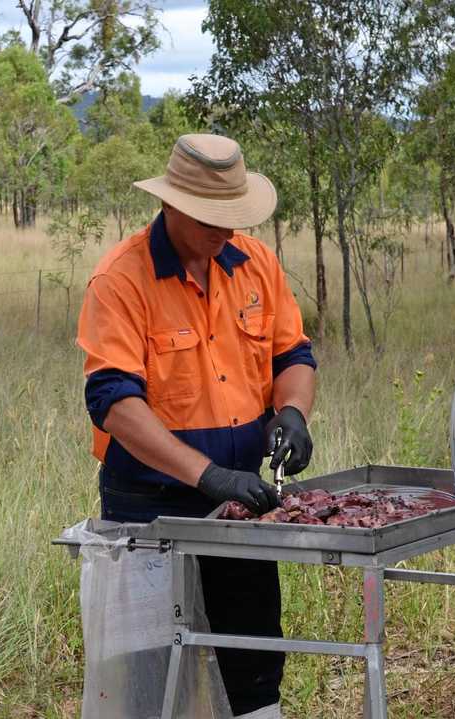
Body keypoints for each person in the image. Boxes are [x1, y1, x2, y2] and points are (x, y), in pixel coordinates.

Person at [76, 134, 317, 719]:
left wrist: (292, 412)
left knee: (253, 657)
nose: (226, 231)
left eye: (234, 217)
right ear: (173, 204)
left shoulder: (255, 263)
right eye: (213, 218)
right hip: (147, 508)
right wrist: (206, 474)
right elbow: (113, 402)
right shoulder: (122, 279)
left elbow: (292, 356)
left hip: (241, 501)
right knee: (152, 673)